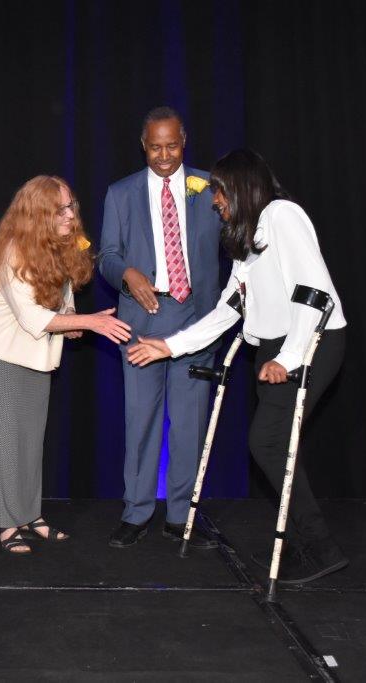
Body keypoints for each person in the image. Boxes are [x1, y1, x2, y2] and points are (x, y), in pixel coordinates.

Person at [127, 148, 349, 584]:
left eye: (221, 192)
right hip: (273, 348)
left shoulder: (283, 216)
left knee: (267, 441)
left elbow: (313, 293)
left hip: (311, 342)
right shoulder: (247, 241)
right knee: (277, 443)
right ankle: (304, 541)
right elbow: (226, 311)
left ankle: (321, 546)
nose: (215, 201)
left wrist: (289, 357)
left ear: (243, 187)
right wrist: (170, 346)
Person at [0, 176, 132, 554]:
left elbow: (62, 297)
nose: (70, 215)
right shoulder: (13, 250)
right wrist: (91, 323)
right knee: (3, 441)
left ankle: (28, 514)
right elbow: (31, 316)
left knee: (29, 440)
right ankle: (4, 522)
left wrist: (71, 320)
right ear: (38, 214)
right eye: (60, 210)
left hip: (34, 352)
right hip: (0, 351)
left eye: (71, 206)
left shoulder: (60, 245)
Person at [98, 106, 225, 550]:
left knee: (189, 424)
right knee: (141, 421)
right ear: (143, 145)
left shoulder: (209, 187)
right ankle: (136, 512)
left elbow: (237, 240)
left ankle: (181, 516)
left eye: (172, 146)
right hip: (142, 319)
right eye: (155, 147)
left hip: (196, 320)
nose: (165, 156)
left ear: (184, 140)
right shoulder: (121, 193)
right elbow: (107, 256)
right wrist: (126, 274)